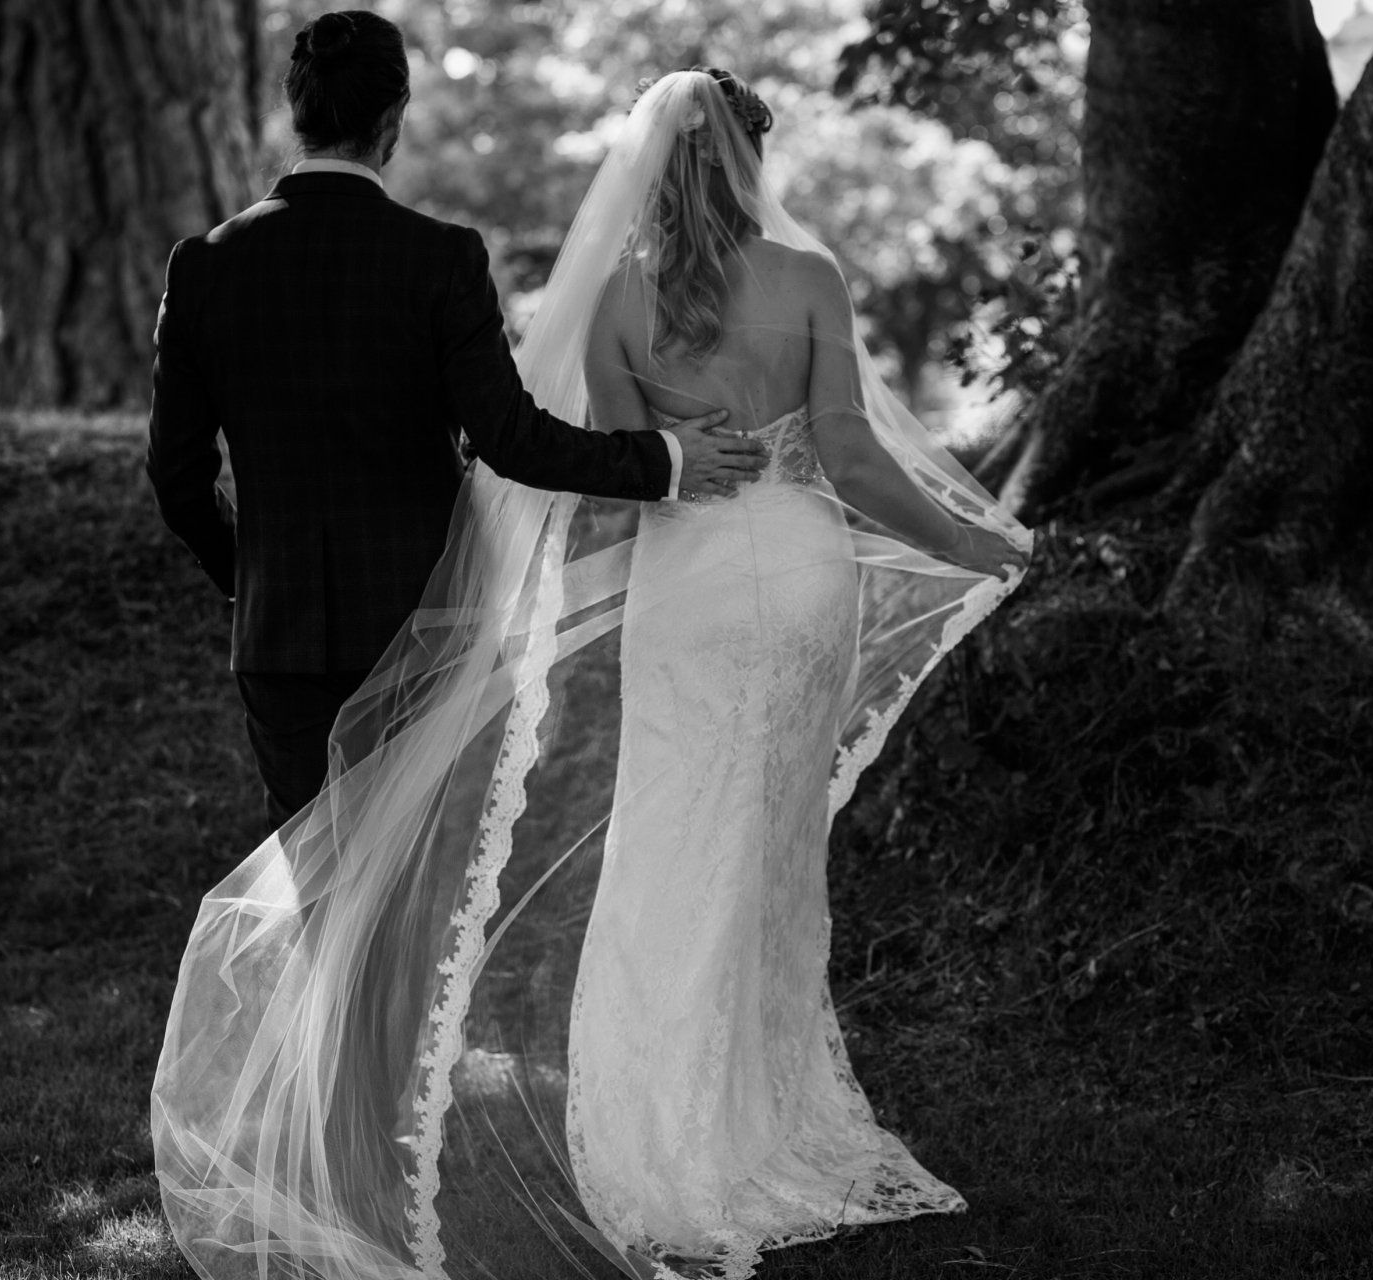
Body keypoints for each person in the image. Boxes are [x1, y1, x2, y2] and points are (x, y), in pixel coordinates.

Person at [152, 57, 1031, 1280]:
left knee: (464, 871)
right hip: (754, 579)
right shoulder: (782, 276)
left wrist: (268, 579)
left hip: (408, 619)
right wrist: (970, 537)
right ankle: (743, 1113)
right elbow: (821, 451)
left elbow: (181, 476)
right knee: (762, 852)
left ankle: (410, 1150)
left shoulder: (604, 298)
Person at [144, 11, 765, 831]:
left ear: (299, 111)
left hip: (278, 637)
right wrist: (665, 458)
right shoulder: (439, 259)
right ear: (393, 116)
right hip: (418, 629)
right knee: (406, 894)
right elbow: (509, 438)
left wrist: (247, 573)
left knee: (316, 883)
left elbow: (177, 479)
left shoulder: (205, 267)